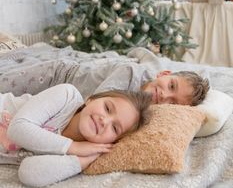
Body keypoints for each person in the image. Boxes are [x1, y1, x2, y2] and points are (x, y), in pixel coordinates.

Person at [0, 83, 151, 187]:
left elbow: (28, 173)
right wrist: (73, 147)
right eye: (107, 108)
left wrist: (84, 160)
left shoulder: (79, 153)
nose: (105, 121)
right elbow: (17, 129)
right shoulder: (67, 96)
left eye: (115, 128)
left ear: (112, 142)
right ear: (90, 99)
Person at [0, 58, 210, 106]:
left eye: (172, 103)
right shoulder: (130, 72)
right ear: (164, 74)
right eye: (171, 86)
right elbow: (94, 103)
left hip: (59, 96)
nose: (165, 96)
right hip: (56, 75)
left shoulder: (147, 107)